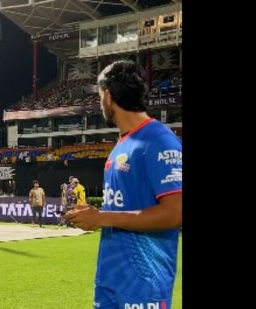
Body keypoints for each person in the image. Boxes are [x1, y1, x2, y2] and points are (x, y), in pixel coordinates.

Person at [63, 60, 182, 309]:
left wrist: (103, 218)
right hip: (110, 278)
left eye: (99, 96)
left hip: (144, 285)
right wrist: (95, 218)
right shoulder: (122, 143)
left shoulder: (159, 140)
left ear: (108, 95)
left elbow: (175, 213)